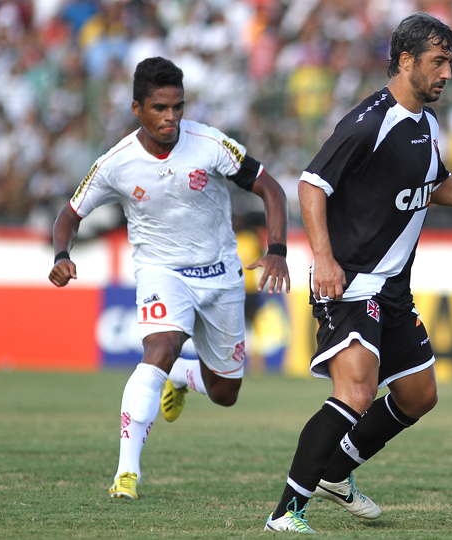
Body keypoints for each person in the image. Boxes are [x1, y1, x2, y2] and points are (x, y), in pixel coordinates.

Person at [264, 12, 452, 533]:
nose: (447, 73)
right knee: (356, 394)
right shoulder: (369, 122)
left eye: (450, 62)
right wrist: (323, 259)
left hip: (393, 290)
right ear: (406, 61)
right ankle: (285, 514)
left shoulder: (426, 124)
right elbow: (311, 184)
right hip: (351, 281)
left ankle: (335, 473)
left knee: (418, 396)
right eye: (439, 62)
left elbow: (436, 186)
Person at [48, 56, 290, 500]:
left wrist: (277, 250)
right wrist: (62, 254)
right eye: (160, 108)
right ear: (137, 108)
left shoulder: (209, 144)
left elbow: (269, 188)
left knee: (226, 393)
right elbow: (69, 214)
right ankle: (126, 473)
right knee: (159, 347)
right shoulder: (116, 162)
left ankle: (181, 375)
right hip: (161, 271)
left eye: (178, 107)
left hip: (221, 274)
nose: (171, 117)